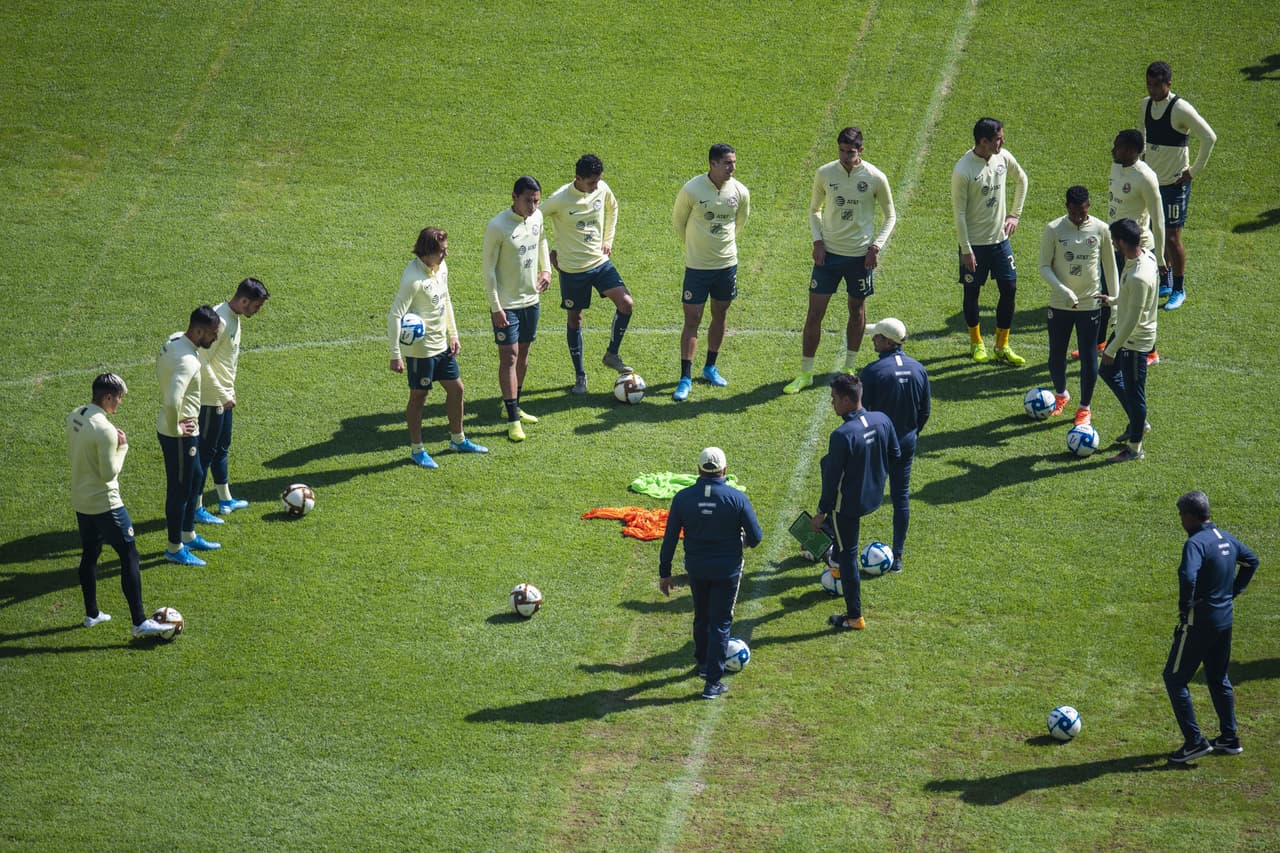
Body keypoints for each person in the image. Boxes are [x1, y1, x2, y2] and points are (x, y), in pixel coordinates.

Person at [783, 127, 897, 394]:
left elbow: (890, 215)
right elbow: (814, 210)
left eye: (851, 151)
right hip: (829, 256)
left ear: (861, 151)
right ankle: (806, 372)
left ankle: (849, 366)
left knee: (856, 310)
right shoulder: (825, 173)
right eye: (842, 151)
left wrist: (876, 246)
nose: (846, 156)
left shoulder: (875, 177)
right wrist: (818, 241)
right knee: (814, 313)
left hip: (860, 257)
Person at [67, 373, 171, 638]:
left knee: (90, 555)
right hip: (106, 505)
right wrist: (122, 447)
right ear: (107, 397)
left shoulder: (75, 415)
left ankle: (92, 614)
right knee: (129, 556)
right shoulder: (105, 430)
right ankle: (139, 622)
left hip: (81, 500)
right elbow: (108, 473)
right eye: (119, 398)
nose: (120, 403)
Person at [1162, 490, 1259, 762]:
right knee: (1218, 678)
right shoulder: (1225, 538)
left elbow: (1187, 574)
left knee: (1174, 678)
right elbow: (1252, 561)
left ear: (1192, 517)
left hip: (1200, 621)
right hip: (1224, 619)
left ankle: (1194, 742)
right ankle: (1230, 738)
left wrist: (1185, 606)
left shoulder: (1196, 543)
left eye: (1182, 515)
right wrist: (1233, 591)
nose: (1181, 521)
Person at [659, 447, 763, 699]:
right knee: (721, 623)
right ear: (724, 471)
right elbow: (756, 537)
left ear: (698, 470)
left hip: (696, 568)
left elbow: (670, 539)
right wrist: (741, 542)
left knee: (702, 616)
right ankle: (712, 683)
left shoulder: (683, 498)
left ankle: (703, 664)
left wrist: (665, 573)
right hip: (727, 570)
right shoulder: (737, 498)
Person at [389, 227, 487, 468]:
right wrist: (395, 354)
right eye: (442, 251)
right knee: (419, 396)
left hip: (442, 346)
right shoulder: (413, 279)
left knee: (457, 389)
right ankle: (417, 450)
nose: (446, 255)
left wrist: (453, 334)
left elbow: (446, 299)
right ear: (428, 251)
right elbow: (394, 315)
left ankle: (458, 439)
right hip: (421, 352)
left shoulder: (440, 268)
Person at [541, 154, 635, 394]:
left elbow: (613, 208)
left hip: (600, 263)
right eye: (591, 182)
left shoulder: (601, 188)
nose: (596, 186)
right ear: (578, 178)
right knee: (575, 319)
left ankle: (611, 354)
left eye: (598, 181)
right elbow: (533, 222)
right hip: (572, 270)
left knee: (626, 303)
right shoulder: (560, 199)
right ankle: (580, 376)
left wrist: (608, 240)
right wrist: (548, 256)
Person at [811, 374, 899, 630]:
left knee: (848, 555)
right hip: (873, 496)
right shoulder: (882, 419)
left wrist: (820, 513)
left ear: (848, 399)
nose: (832, 403)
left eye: (835, 398)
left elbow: (831, 481)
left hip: (846, 505)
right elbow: (894, 454)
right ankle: (835, 557)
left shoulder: (842, 434)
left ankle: (854, 617)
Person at [672, 143, 750, 401]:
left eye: (734, 163)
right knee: (692, 319)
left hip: (726, 265)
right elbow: (678, 223)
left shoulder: (739, 191)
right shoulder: (692, 189)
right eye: (727, 163)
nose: (732, 168)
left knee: (720, 313)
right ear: (713, 164)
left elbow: (739, 223)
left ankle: (710, 367)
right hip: (697, 267)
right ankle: (685, 377)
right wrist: (696, 248)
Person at [951, 118, 1029, 365]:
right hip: (974, 245)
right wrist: (966, 249)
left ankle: (1002, 345)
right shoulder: (964, 170)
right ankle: (976, 342)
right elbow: (959, 213)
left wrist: (1014, 214)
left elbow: (1022, 180)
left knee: (1010, 288)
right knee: (972, 292)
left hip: (1000, 241)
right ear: (983, 142)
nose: (1002, 142)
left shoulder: (1002, 158)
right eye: (998, 139)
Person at [1038, 186, 1119, 426]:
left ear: (1089, 207)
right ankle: (1061, 394)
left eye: (1082, 213)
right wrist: (1064, 291)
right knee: (1055, 356)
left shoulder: (1101, 229)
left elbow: (1110, 268)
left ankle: (1085, 407)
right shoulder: (1053, 229)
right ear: (1067, 208)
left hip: (1090, 305)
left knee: (1088, 356)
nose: (1078, 218)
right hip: (1060, 304)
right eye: (1074, 213)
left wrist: (1115, 303)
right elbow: (1044, 266)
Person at [193, 277, 269, 524]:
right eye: (256, 306)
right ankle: (196, 507)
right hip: (210, 399)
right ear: (244, 300)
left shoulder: (233, 317)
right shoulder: (220, 321)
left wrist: (229, 389)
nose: (257, 312)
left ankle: (225, 500)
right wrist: (222, 393)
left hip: (224, 395)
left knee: (222, 447)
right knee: (204, 454)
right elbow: (202, 362)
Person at [1142, 61, 1217, 311]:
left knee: (1172, 239)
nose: (1152, 90)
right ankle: (1165, 280)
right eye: (1149, 85)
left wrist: (1192, 172)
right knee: (1155, 234)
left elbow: (1209, 137)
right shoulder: (1145, 105)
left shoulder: (1180, 109)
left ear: (1168, 84)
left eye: (1157, 85)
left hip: (1174, 184)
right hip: (1152, 184)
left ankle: (1178, 289)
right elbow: (1143, 135)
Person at [483, 176, 551, 441]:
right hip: (506, 305)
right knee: (509, 357)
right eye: (528, 201)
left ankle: (513, 405)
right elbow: (488, 269)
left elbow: (542, 240)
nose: (533, 206)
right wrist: (495, 306)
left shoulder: (537, 217)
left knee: (523, 354)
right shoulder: (497, 226)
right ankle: (512, 420)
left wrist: (546, 270)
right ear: (514, 197)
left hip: (530, 301)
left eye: (536, 200)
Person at [859, 319, 929, 572]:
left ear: (888, 342)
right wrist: (910, 434)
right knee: (900, 497)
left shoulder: (872, 372)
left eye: (876, 336)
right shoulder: (919, 369)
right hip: (907, 442)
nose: (872, 340)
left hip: (877, 445)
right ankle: (897, 557)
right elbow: (925, 412)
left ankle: (838, 550)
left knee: (854, 492)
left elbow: (862, 414)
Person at [1095, 129, 1165, 367]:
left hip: (1137, 248)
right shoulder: (1116, 166)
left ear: (1131, 150)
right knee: (1105, 291)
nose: (1113, 150)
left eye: (1118, 146)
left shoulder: (1145, 177)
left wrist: (1162, 258)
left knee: (1136, 302)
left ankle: (1151, 352)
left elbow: (1159, 217)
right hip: (1115, 243)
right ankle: (1099, 343)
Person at [157, 306, 221, 565]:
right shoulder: (189, 361)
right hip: (180, 434)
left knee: (194, 477)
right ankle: (174, 548)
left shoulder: (173, 340)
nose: (215, 338)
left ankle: (188, 534)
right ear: (198, 330)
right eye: (212, 334)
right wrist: (177, 429)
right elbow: (173, 400)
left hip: (179, 429)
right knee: (180, 491)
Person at [1099, 219, 1159, 463]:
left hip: (1134, 340)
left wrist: (1112, 348)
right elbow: (1131, 300)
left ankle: (1135, 448)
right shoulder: (1142, 257)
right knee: (1107, 372)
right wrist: (1113, 300)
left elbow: (1133, 320)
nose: (1113, 244)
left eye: (1114, 240)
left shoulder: (1138, 276)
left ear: (1123, 241)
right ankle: (1138, 421)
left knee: (1136, 395)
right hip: (1127, 331)